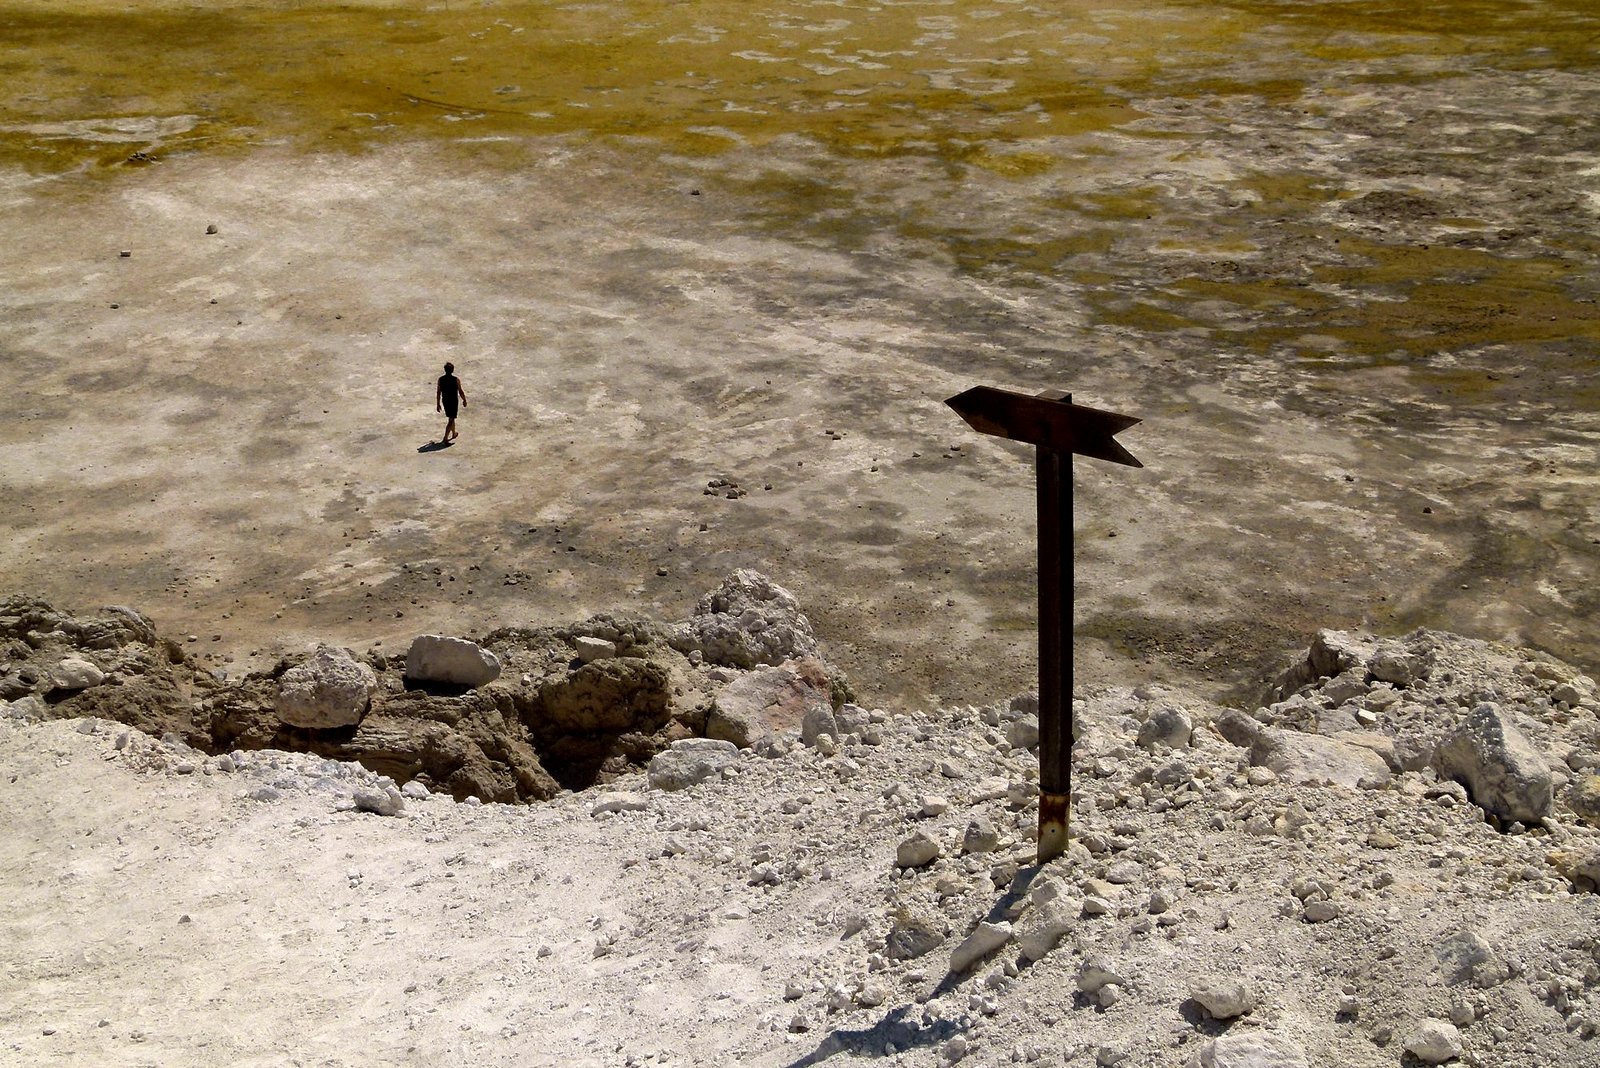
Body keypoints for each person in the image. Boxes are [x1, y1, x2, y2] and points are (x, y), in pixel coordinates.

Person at [435, 362, 467, 444]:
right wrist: (464, 400)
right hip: (453, 401)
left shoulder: (440, 379)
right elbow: (460, 391)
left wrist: (438, 403)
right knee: (451, 419)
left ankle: (453, 433)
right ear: (452, 370)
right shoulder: (456, 380)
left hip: (445, 401)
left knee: (451, 417)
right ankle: (445, 438)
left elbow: (438, 392)